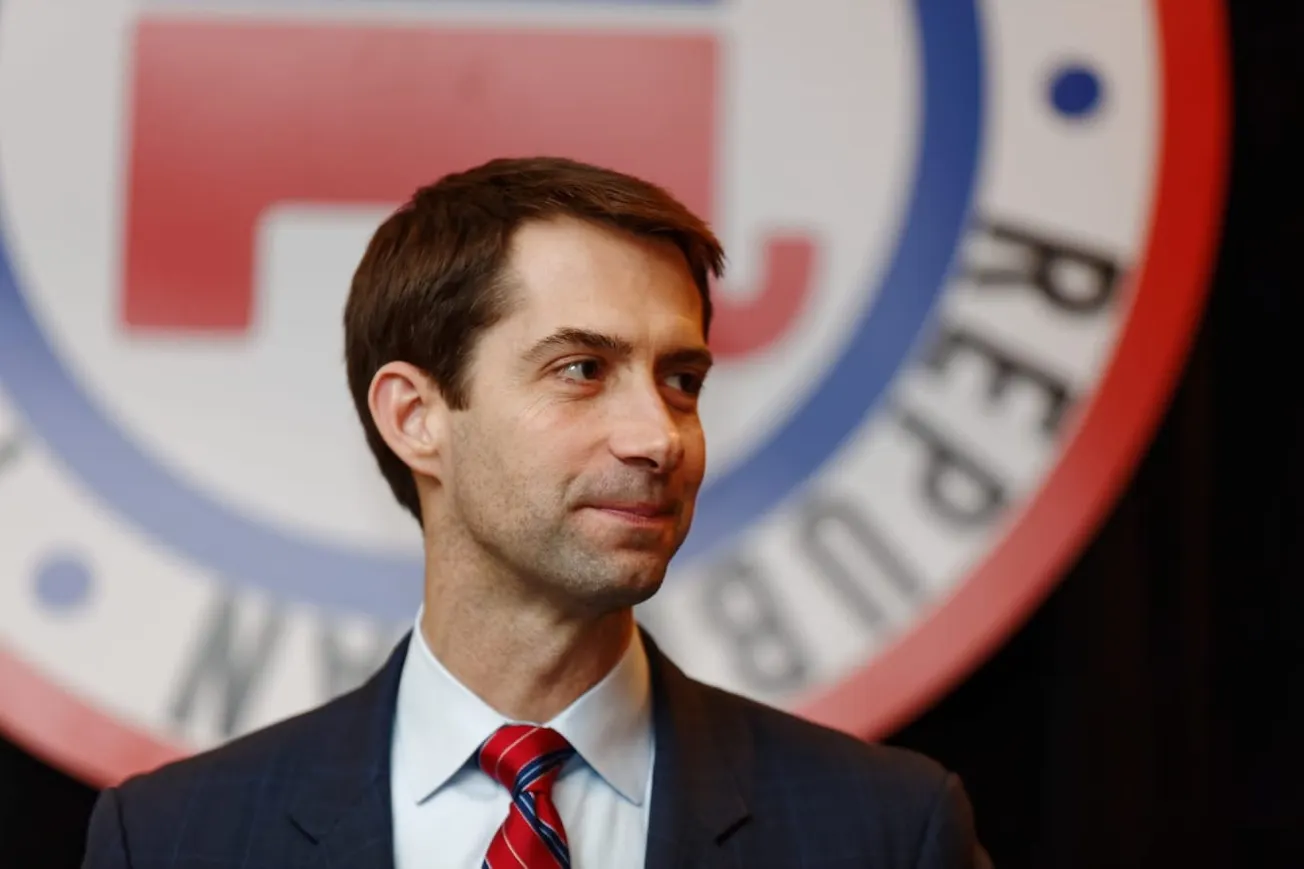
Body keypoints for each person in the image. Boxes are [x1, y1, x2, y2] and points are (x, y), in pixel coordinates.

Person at [81, 156, 990, 868]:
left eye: (681, 380)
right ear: (416, 417)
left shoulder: (884, 830)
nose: (658, 437)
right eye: (582, 370)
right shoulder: (173, 839)